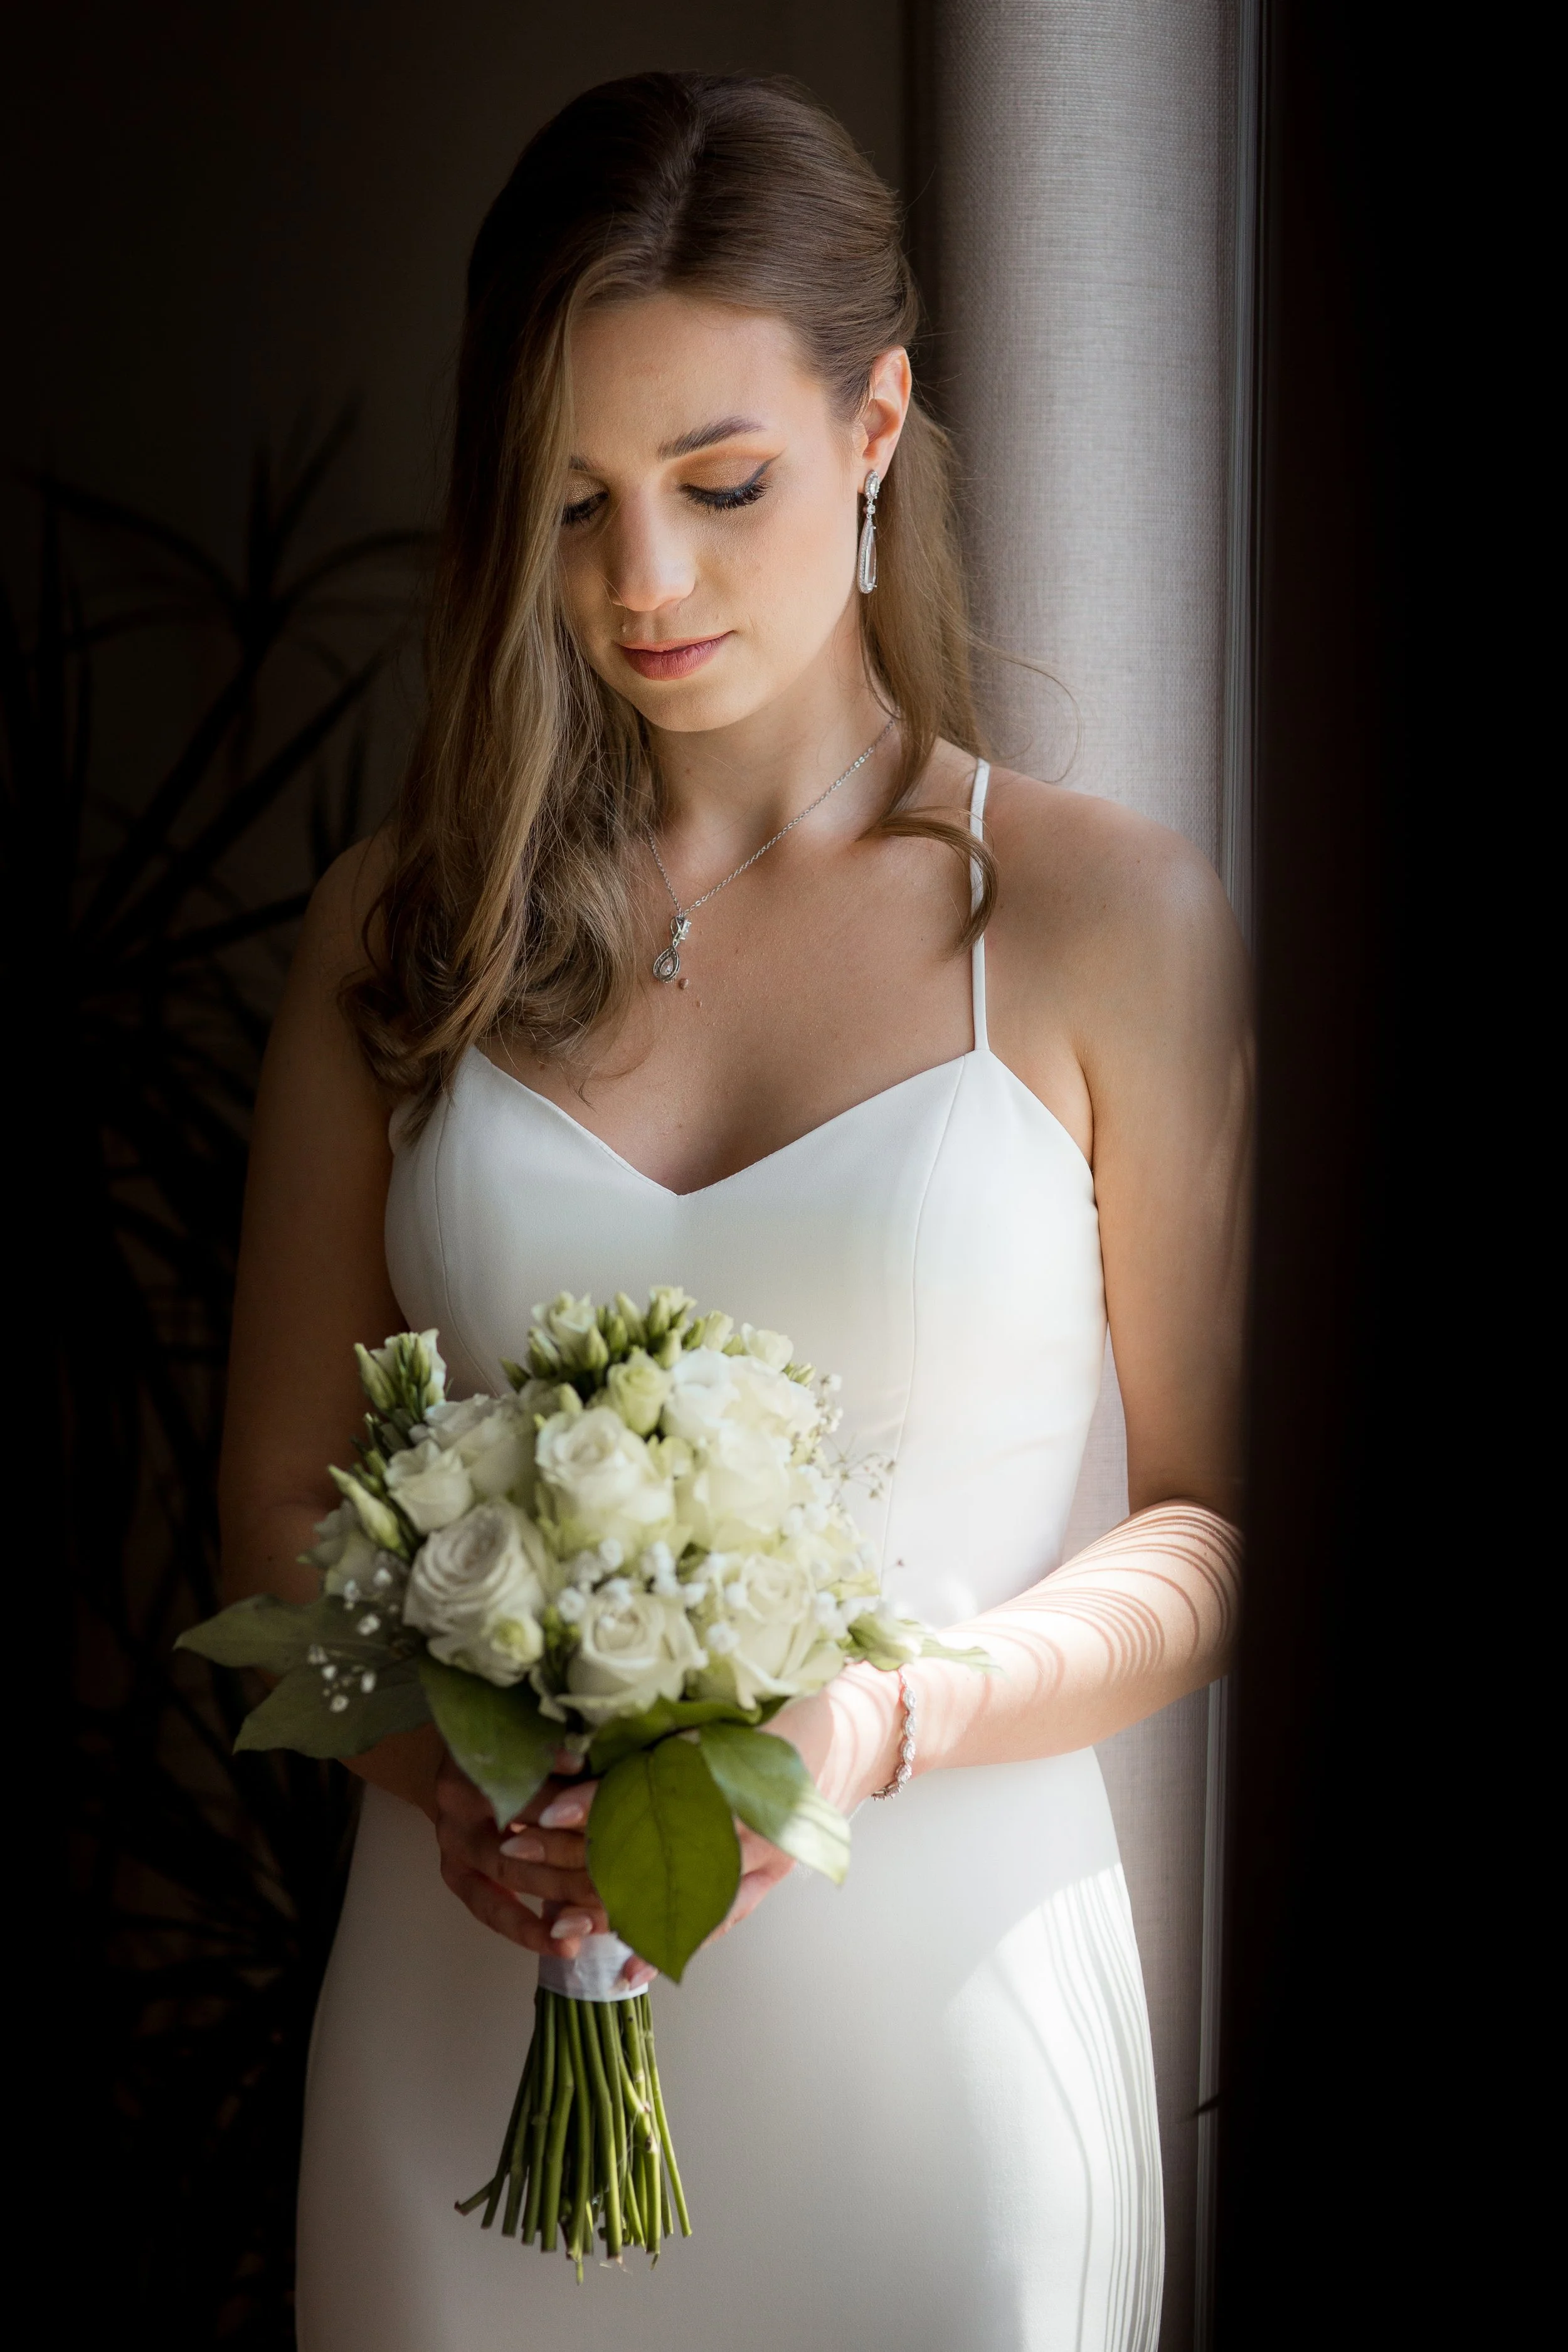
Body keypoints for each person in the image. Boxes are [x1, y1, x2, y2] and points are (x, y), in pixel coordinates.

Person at [220, 71, 1249, 2352]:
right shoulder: (403, 935)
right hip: (458, 2041)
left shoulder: (1099, 915)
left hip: (931, 2063)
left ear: (875, 424)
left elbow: (1207, 1519)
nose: (640, 584)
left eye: (719, 485)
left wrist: (874, 1713)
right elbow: (277, 1513)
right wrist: (445, 1768)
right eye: (570, 503)